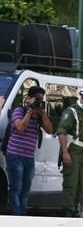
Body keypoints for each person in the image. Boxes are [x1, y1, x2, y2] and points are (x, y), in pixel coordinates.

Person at [4, 85, 53, 215]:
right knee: (16, 188)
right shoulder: (19, 110)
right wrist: (30, 111)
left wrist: (42, 114)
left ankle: (23, 216)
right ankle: (16, 215)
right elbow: (20, 127)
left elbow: (50, 129)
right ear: (29, 98)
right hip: (15, 155)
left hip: (29, 157)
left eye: (41, 100)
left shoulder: (39, 115)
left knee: (26, 190)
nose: (38, 102)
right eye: (36, 99)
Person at [57, 86, 83, 217]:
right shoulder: (72, 112)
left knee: (81, 185)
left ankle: (75, 209)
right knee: (71, 183)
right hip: (73, 150)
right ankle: (69, 211)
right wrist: (65, 152)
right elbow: (62, 132)